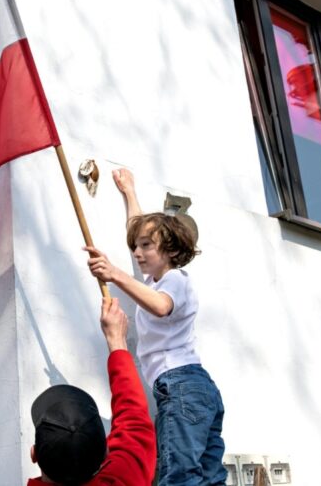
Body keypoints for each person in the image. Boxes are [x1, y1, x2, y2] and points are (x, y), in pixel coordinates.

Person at [85, 168, 227, 486]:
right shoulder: (154, 280)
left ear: (172, 251)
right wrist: (129, 192)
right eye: (135, 246)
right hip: (194, 390)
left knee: (176, 476)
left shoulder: (176, 279)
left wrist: (114, 273)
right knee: (208, 477)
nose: (137, 252)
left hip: (181, 387)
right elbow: (136, 227)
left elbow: (161, 307)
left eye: (146, 246)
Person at [28, 297, 156, 485]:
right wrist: (117, 342)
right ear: (106, 452)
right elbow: (134, 418)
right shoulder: (125, 477)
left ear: (34, 454)